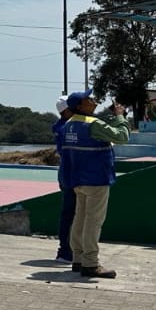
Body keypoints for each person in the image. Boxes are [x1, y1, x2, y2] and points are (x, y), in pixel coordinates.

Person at [58, 90, 130, 279]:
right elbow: (122, 136)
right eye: (88, 99)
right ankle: (90, 263)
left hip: (77, 179)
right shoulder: (93, 124)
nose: (93, 100)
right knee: (93, 221)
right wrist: (120, 117)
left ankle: (78, 258)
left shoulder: (69, 125)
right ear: (80, 106)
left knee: (80, 218)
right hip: (96, 179)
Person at [52, 96, 76, 265]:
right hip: (70, 173)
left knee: (70, 212)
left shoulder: (61, 126)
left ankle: (68, 250)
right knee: (70, 213)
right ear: (66, 111)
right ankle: (66, 251)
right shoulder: (66, 128)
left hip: (66, 172)